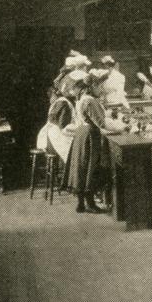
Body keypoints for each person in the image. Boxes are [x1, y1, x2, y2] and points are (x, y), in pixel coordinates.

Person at [63, 72, 109, 213]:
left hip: (81, 134)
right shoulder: (90, 100)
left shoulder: (81, 98)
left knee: (81, 168)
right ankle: (90, 204)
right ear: (93, 86)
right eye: (100, 86)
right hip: (90, 135)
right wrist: (123, 127)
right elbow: (101, 123)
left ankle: (81, 204)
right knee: (91, 168)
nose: (101, 90)